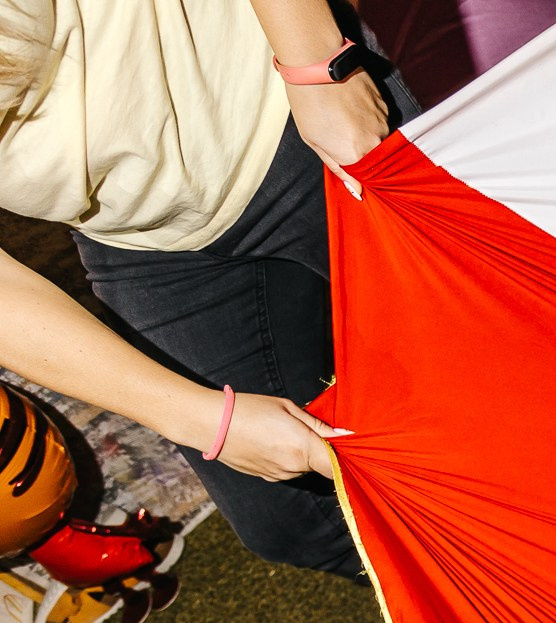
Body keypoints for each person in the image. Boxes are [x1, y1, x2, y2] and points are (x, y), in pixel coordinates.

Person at [0, 0, 417, 575]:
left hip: (282, 108)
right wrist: (206, 422)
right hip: (139, 236)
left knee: (512, 375)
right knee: (293, 525)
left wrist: (319, 67)